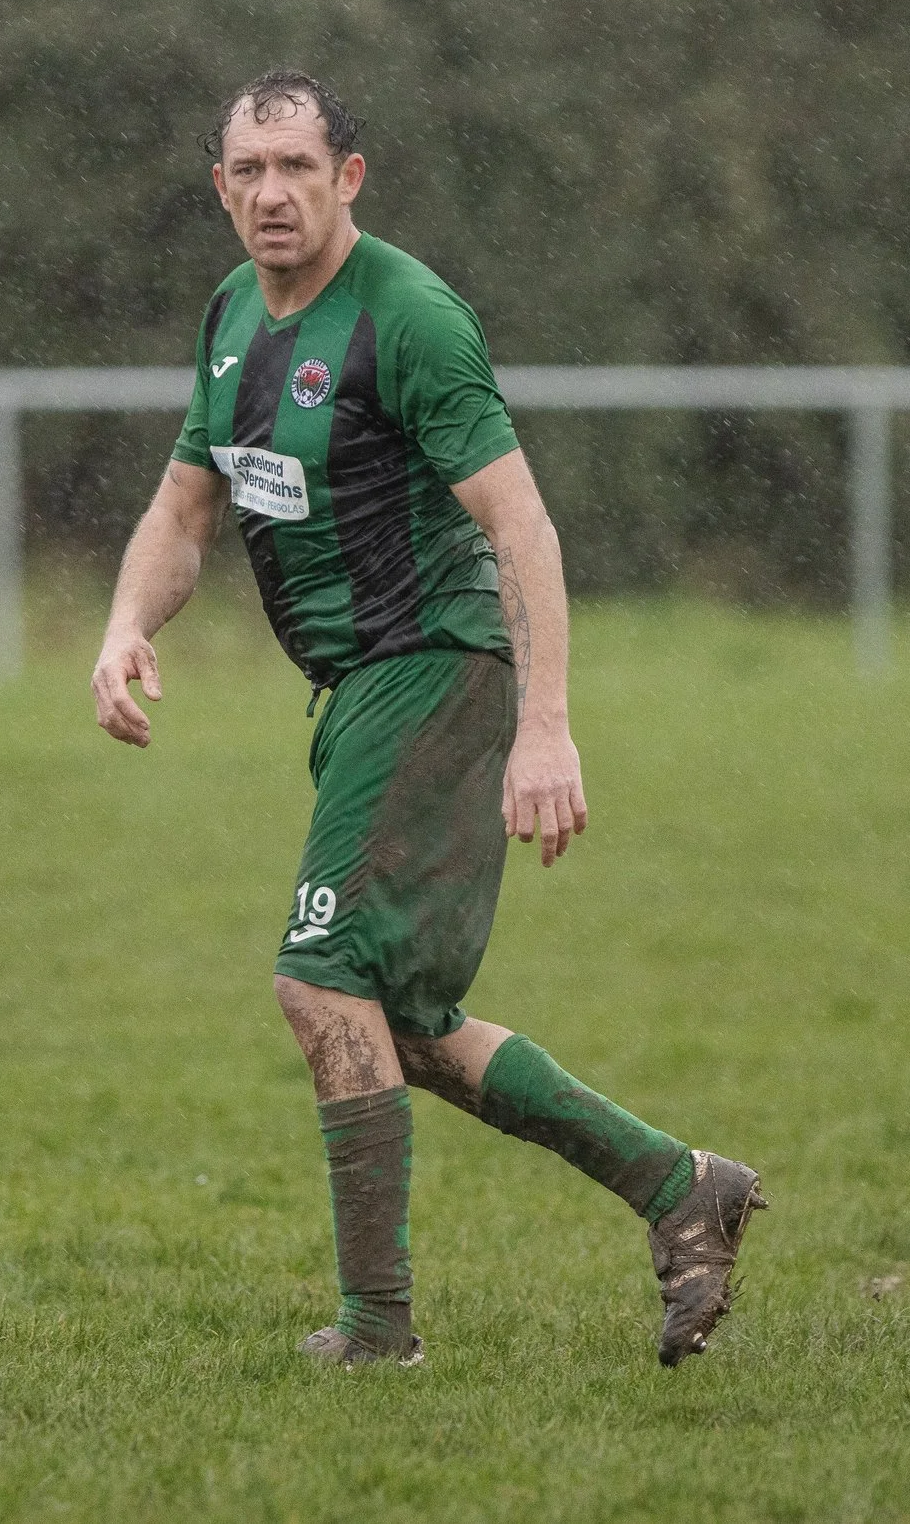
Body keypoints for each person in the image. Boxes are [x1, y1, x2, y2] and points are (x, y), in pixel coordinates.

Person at [91, 69, 763, 1370]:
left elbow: (521, 526)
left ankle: (377, 1333)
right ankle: (683, 1184)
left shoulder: (407, 317)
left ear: (351, 177)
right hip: (354, 695)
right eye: (250, 170)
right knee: (395, 1018)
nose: (273, 192)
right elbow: (185, 510)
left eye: (299, 166)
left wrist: (548, 725)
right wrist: (127, 625)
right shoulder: (232, 316)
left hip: (438, 668)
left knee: (316, 979)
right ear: (218, 186)